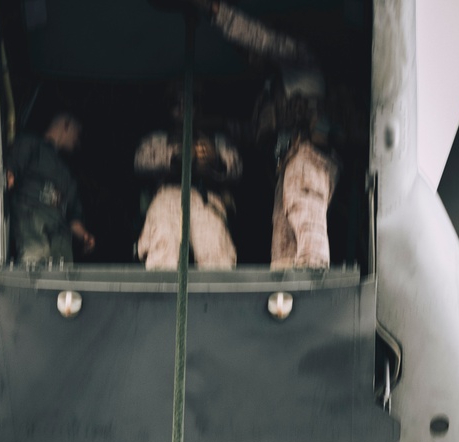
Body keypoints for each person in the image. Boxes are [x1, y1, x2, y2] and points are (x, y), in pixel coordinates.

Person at [189, 0, 339, 270]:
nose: (249, 57)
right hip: (287, 162)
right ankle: (288, 285)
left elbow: (266, 41)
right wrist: (213, 124)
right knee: (283, 232)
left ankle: (314, 266)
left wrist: (215, 10)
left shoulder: (301, 62)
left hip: (309, 153)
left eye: (250, 51)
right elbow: (253, 132)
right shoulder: (269, 95)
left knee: (303, 200)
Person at [134, 91, 242, 269]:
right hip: (167, 194)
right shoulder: (158, 139)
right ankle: (162, 291)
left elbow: (236, 168)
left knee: (213, 245)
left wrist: (215, 158)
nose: (184, 109)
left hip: (206, 197)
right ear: (169, 108)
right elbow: (140, 162)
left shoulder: (216, 139)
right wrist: (175, 156)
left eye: (190, 103)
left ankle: (215, 294)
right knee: (163, 238)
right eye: (178, 103)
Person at [5, 112, 96, 266]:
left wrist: (84, 235)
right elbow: (9, 172)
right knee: (36, 263)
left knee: (64, 271)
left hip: (60, 230)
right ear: (66, 126)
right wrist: (9, 175)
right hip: (33, 218)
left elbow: (73, 213)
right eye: (77, 132)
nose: (78, 139)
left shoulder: (67, 172)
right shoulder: (31, 144)